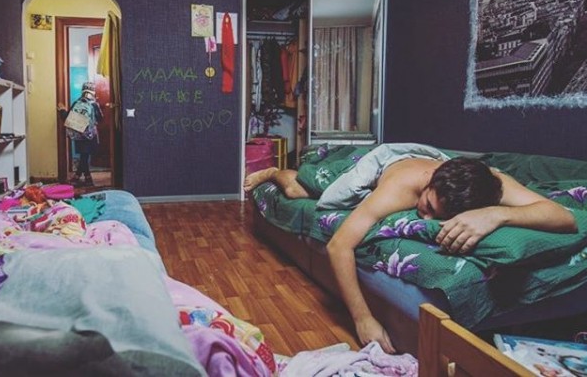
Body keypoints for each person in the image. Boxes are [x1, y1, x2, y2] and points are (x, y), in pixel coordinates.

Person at [243, 143, 576, 354]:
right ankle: (273, 172)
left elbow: (564, 217)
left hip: (425, 155)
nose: (424, 217)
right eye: (427, 205)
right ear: (430, 181)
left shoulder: (490, 183)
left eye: (436, 216)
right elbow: (339, 245)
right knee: (302, 189)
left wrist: (496, 215)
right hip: (382, 161)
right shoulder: (400, 189)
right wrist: (363, 319)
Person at [58, 81, 104, 186]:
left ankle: (79, 177)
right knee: (85, 156)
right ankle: (87, 179)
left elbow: (67, 118)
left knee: (84, 156)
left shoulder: (76, 103)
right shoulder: (94, 104)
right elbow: (100, 118)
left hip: (78, 134)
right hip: (90, 135)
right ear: (93, 91)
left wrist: (62, 110)